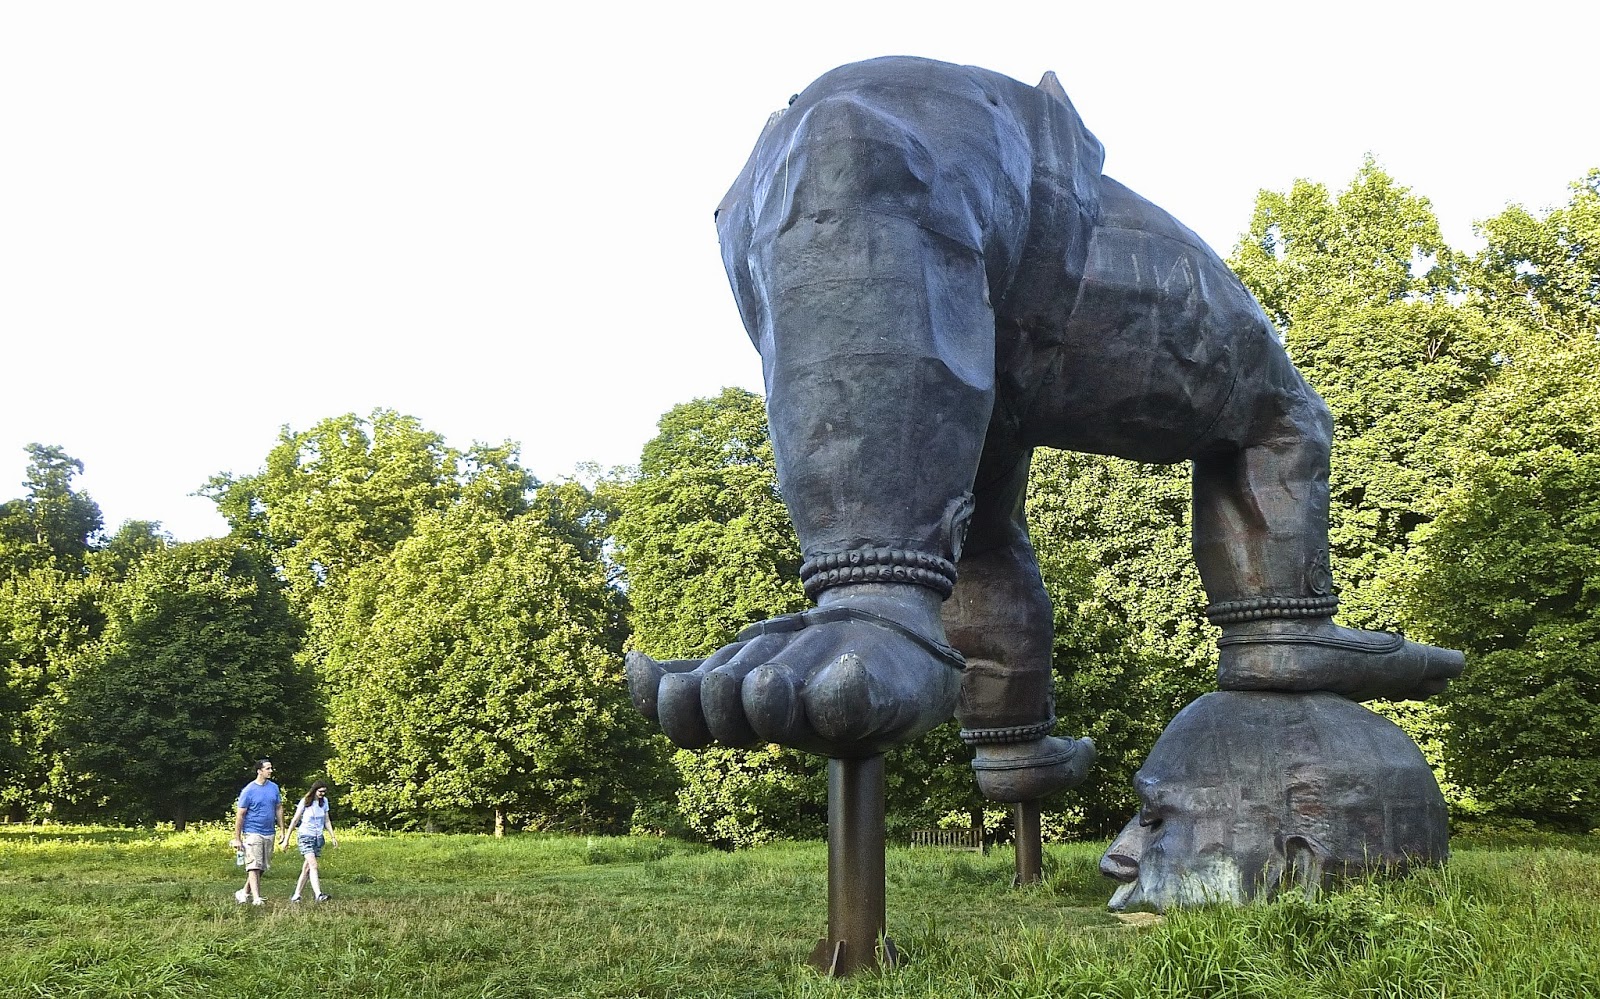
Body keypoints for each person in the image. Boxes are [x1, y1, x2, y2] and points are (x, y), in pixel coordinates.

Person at [629, 56, 1463, 798]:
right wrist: (872, 588)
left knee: (985, 508)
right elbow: (855, 164)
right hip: (954, 181)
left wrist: (871, 584)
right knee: (1276, 414)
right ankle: (1260, 632)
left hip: (922, 187)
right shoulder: (854, 149)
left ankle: (1015, 717)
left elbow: (856, 177)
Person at [229, 759, 283, 905]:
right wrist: (237, 838)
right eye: (268, 768)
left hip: (269, 831)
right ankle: (257, 898)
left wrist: (282, 829)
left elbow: (278, 808)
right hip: (253, 831)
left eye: (271, 768)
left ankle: (244, 892)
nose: (270, 771)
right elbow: (240, 814)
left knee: (262, 866)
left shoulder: (274, 788)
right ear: (259, 771)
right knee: (253, 865)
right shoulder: (249, 790)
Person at [279, 780, 339, 902]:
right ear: (314, 790)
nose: (322, 794)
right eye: (320, 791)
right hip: (305, 837)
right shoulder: (305, 802)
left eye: (324, 792)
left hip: (318, 838)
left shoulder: (324, 802)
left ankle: (296, 895)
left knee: (307, 868)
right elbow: (295, 820)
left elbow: (326, 820)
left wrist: (333, 837)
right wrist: (286, 839)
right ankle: (318, 894)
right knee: (313, 865)